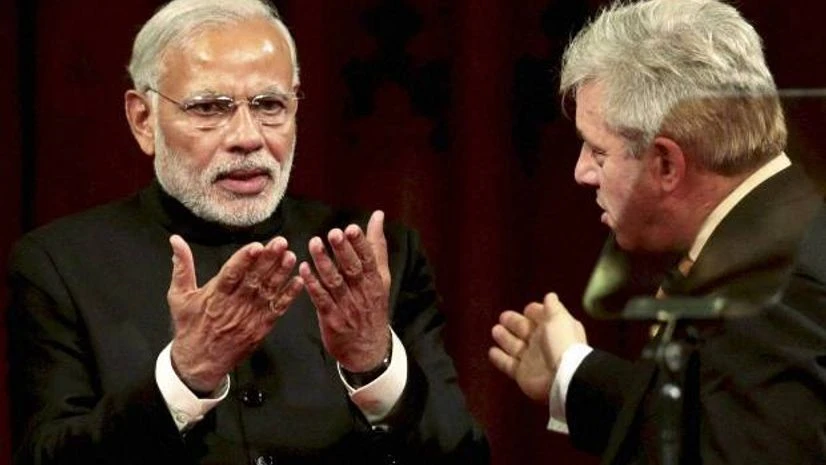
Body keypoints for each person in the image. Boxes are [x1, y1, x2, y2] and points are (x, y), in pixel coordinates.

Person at [6, 1, 488, 464]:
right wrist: (185, 377)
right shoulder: (59, 264)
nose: (248, 137)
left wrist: (374, 364)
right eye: (210, 108)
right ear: (143, 119)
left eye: (270, 105)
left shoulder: (374, 254)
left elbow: (461, 455)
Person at [489, 0, 826, 464]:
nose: (581, 172)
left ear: (667, 164)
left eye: (598, 152)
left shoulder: (767, 292)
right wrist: (573, 373)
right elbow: (722, 419)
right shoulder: (783, 232)